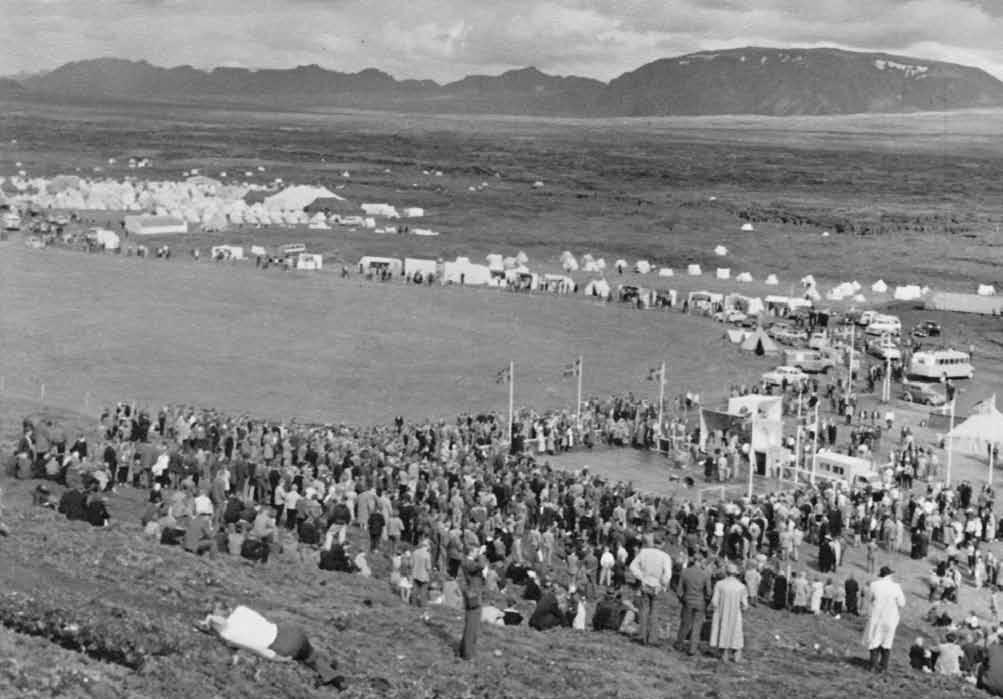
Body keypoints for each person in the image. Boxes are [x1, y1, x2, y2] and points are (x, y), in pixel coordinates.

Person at [199, 601, 343, 689]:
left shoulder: (227, 634)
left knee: (303, 656)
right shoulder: (241, 609)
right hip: (290, 632)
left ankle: (331, 672)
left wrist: (278, 659)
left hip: (281, 645)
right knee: (309, 655)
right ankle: (332, 672)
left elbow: (257, 648)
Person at [628, 533, 673, 646]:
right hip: (657, 585)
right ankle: (652, 638)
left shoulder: (644, 552)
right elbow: (667, 574)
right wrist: (663, 584)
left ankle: (642, 635)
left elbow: (632, 566)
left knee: (644, 610)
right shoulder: (665, 556)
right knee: (655, 612)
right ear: (662, 543)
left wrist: (641, 576)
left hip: (645, 583)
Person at [863, 566, 906, 673]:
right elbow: (902, 603)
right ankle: (883, 667)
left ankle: (873, 665)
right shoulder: (896, 587)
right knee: (887, 642)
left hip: (876, 617)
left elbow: (869, 598)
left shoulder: (874, 585)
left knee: (874, 640)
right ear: (889, 575)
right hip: (890, 617)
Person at [709, 562, 749, 662]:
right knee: (736, 633)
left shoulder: (720, 584)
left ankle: (724, 655)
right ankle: (737, 656)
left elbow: (714, 601)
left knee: (723, 631)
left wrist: (714, 609)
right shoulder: (741, 586)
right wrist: (741, 609)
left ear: (726, 572)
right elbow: (745, 605)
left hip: (722, 612)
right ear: (736, 574)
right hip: (735, 614)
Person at [676, 555, 712, 655]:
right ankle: (692, 648)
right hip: (700, 602)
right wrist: (706, 601)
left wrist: (682, 600)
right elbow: (709, 592)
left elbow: (679, 591)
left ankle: (679, 644)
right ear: (700, 562)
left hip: (687, 601)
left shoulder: (685, 572)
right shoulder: (706, 574)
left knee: (685, 623)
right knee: (697, 625)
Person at [459, 545, 486, 660]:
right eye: (476, 551)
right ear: (471, 552)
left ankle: (464, 649)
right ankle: (468, 654)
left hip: (473, 595)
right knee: (472, 626)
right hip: (473, 598)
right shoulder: (468, 563)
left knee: (471, 625)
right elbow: (481, 565)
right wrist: (481, 554)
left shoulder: (468, 562)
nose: (477, 553)